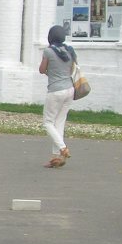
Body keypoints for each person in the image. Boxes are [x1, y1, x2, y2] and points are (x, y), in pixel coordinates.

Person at [39, 25, 76, 169]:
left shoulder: (48, 51)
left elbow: (42, 69)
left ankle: (63, 148)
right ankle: (56, 158)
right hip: (69, 89)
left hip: (55, 91)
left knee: (48, 122)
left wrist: (50, 71)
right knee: (59, 122)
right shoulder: (70, 50)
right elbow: (72, 68)